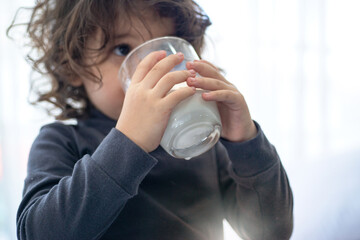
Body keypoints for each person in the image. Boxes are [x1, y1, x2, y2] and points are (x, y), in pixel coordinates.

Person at [9, 0, 293, 239]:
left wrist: (246, 142)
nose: (154, 70)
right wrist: (128, 142)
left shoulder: (205, 142)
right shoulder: (61, 140)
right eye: (123, 49)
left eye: (168, 53)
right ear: (73, 66)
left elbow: (271, 232)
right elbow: (38, 233)